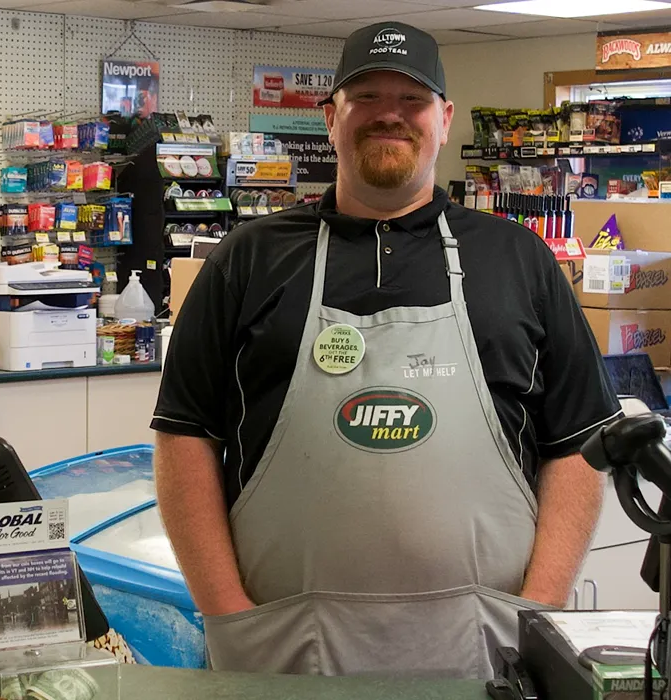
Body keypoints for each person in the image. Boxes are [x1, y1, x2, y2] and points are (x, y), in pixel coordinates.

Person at [152, 21, 621, 679]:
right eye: (366, 97)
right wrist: (227, 611)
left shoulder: (517, 258)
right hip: (282, 649)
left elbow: (576, 444)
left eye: (412, 100)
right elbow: (184, 435)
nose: (389, 116)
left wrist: (537, 612)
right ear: (330, 117)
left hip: (488, 651)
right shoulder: (248, 260)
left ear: (445, 117)